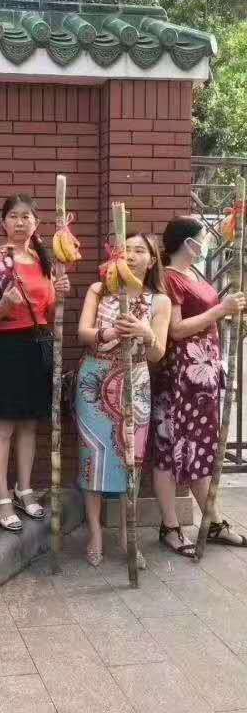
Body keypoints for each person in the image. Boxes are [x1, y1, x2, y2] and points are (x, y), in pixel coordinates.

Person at [151, 216, 247, 556]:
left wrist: (226, 311)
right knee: (170, 448)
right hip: (179, 377)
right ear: (186, 242)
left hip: (202, 379)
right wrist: (220, 309)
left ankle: (213, 521)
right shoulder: (169, 278)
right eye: (201, 237)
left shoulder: (195, 274)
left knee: (200, 449)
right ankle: (170, 525)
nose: (204, 242)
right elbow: (176, 329)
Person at [76, 234, 171, 567]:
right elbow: (83, 333)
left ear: (152, 260)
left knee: (132, 459)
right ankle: (95, 533)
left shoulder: (159, 301)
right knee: (92, 458)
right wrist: (111, 332)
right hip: (94, 380)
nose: (131, 255)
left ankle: (127, 534)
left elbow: (158, 353)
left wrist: (146, 334)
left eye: (139, 250)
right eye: (125, 249)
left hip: (136, 384)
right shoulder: (99, 290)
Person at [0, 194, 70, 532]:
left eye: (26, 216)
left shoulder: (44, 259)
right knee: (4, 425)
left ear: (36, 222)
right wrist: (4, 304)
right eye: (14, 216)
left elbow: (48, 314)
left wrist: (60, 293)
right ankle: (1, 496)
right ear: (3, 222)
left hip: (37, 346)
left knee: (30, 424)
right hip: (6, 348)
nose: (20, 222)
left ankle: (24, 488)